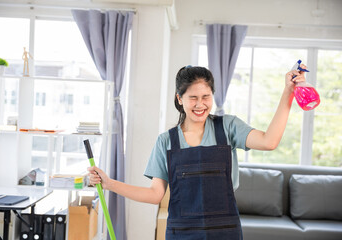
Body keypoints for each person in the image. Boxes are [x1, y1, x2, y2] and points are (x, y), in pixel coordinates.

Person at [88, 65, 306, 239]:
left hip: (225, 232)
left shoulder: (228, 127)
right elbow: (155, 195)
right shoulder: (167, 141)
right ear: (179, 98)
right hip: (182, 233)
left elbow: (269, 141)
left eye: (206, 96)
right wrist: (109, 184)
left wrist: (288, 92)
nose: (200, 104)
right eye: (193, 97)